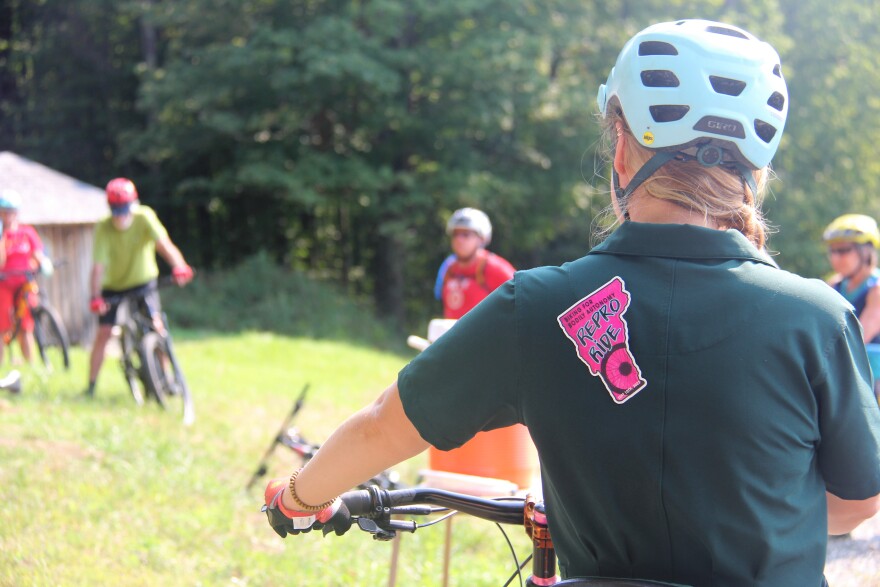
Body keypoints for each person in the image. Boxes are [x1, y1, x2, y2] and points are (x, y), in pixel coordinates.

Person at [263, 20, 880, 586]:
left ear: (619, 152)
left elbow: (384, 428)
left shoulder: (535, 305)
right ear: (757, 171)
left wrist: (299, 496)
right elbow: (858, 499)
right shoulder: (816, 318)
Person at [85, 178, 193, 397]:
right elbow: (98, 267)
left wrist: (179, 266)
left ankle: (167, 378)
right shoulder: (104, 227)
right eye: (116, 209)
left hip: (143, 281)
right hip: (113, 285)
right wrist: (96, 297)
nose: (121, 215)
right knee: (104, 332)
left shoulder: (145, 217)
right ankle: (91, 386)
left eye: (124, 208)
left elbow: (164, 245)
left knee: (156, 327)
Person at [823, 213, 880, 399]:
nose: (836, 257)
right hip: (848, 373)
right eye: (832, 251)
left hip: (873, 378)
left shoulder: (876, 288)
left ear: (866, 252)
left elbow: (858, 336)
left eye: (844, 250)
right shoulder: (835, 285)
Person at [0, 189, 54, 364]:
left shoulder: (26, 232)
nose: (8, 216)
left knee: (26, 325)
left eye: (11, 212)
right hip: (4, 284)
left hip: (24, 282)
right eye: (4, 212)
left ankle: (30, 364)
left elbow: (37, 252)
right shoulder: (2, 235)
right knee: (2, 326)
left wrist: (43, 262)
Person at [439, 207, 515, 319]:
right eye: (455, 234)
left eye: (466, 234)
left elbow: (522, 301)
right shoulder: (449, 268)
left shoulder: (495, 268)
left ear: (481, 238)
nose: (459, 239)